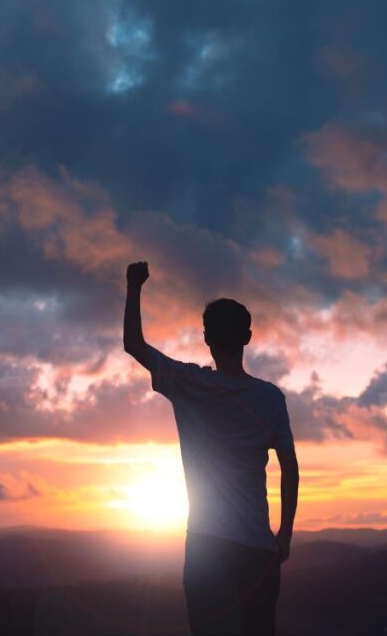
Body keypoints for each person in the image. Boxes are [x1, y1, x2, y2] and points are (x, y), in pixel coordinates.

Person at [123, 260, 299, 636]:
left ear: (206, 338)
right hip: (258, 547)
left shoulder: (189, 384)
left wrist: (134, 285)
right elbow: (290, 468)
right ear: (248, 337)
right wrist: (284, 533)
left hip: (207, 546)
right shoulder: (270, 398)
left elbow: (133, 344)